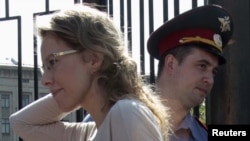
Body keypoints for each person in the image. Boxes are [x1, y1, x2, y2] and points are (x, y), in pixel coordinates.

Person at [9, 3, 172, 141]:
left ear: (93, 59)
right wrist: (79, 91)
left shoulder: (126, 114)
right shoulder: (91, 132)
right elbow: (21, 123)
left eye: (53, 62)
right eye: (44, 68)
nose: (44, 79)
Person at [147, 4, 233, 141]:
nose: (210, 80)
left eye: (214, 71)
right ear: (171, 64)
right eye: (202, 66)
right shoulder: (127, 121)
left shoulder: (204, 135)